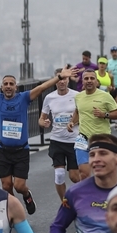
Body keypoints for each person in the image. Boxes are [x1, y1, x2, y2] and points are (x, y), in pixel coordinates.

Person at [0, 51, 78, 214]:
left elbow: (42, 87)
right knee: (6, 186)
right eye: (5, 84)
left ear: (15, 87)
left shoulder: (24, 98)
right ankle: (13, 211)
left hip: (21, 150)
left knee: (19, 186)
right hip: (3, 150)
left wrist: (59, 77)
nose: (8, 86)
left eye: (11, 84)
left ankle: (27, 195)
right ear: (2, 87)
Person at [69, 69, 117, 182]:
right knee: (83, 173)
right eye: (86, 78)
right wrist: (72, 122)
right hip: (83, 138)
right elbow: (78, 111)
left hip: (101, 138)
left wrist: (104, 114)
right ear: (82, 81)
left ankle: (103, 190)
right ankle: (89, 193)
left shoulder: (105, 96)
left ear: (96, 81)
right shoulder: (78, 97)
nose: (89, 81)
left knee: (102, 173)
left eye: (92, 78)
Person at [39, 70, 80, 200]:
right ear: (55, 81)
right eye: (59, 79)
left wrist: (73, 122)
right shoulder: (49, 98)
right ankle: (64, 203)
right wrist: (43, 123)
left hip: (74, 141)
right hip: (57, 140)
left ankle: (81, 198)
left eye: (64, 79)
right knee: (59, 174)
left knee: (74, 177)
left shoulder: (77, 95)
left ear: (68, 80)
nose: (62, 82)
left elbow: (83, 114)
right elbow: (41, 118)